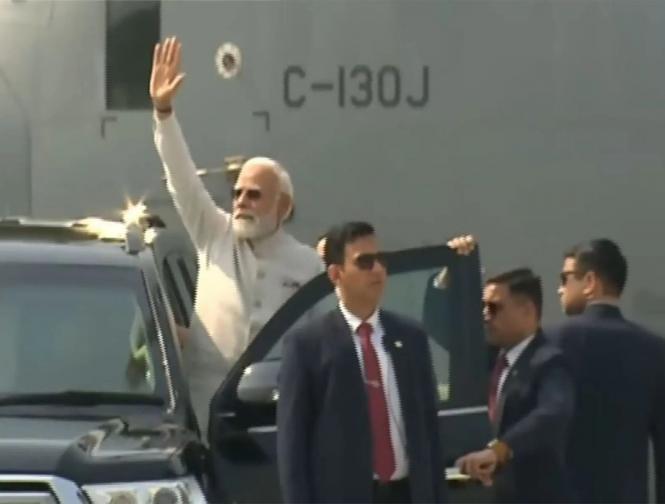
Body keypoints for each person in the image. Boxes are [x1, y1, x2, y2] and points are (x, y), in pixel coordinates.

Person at [150, 36, 323, 433]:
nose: (242, 201)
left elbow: (322, 345)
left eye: (255, 194)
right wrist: (163, 113)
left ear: (283, 206)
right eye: (238, 192)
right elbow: (182, 179)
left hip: (276, 418)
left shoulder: (308, 264)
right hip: (206, 410)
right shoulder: (215, 232)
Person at [277, 222, 446, 503]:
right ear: (336, 274)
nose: (377, 269)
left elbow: (430, 430)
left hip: (408, 494)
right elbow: (293, 445)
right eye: (364, 262)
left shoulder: (410, 337)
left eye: (381, 260)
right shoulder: (307, 345)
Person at [550, 239, 665, 503]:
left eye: (565, 278)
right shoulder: (656, 350)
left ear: (590, 282)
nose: (559, 288)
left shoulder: (549, 343)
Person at [456, 268, 575, 503]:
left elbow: (554, 412)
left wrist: (500, 450)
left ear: (527, 310)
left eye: (494, 307)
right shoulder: (488, 358)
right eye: (483, 306)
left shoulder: (548, 362)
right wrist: (449, 277)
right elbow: (443, 328)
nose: (485, 315)